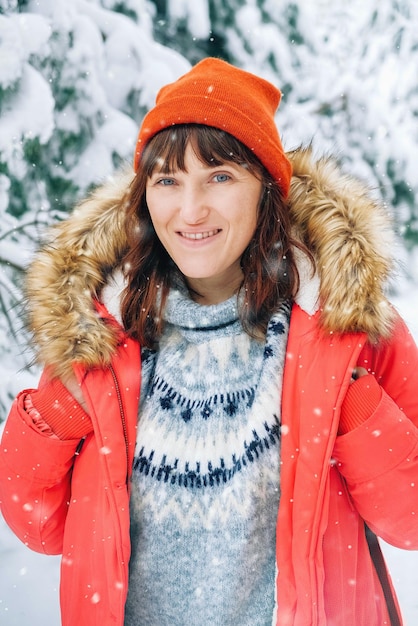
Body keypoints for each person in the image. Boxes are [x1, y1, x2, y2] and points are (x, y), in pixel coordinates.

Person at [0, 57, 417, 626]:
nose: (190, 210)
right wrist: (55, 414)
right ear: (145, 194)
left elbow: (411, 519)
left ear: (265, 189)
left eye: (220, 177)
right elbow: (39, 524)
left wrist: (357, 407)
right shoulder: (99, 331)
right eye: (167, 180)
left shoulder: (344, 327)